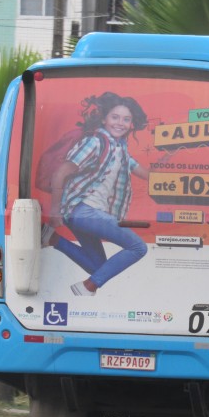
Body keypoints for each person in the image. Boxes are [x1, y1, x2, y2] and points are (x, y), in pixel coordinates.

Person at [41, 91, 150, 296]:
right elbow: (60, 173)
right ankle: (88, 287)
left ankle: (53, 239)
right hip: (82, 210)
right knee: (138, 248)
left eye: (126, 119)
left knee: (98, 267)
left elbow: (146, 174)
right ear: (104, 118)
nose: (120, 123)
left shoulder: (120, 149)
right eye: (115, 117)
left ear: (132, 123)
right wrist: (55, 210)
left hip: (88, 213)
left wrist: (173, 171)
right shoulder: (96, 142)